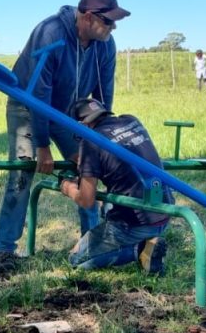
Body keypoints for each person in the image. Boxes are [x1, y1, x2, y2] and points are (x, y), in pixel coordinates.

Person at [0, 0, 130, 269]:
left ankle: (92, 243)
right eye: (108, 21)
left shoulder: (106, 45)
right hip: (27, 106)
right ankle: (3, 250)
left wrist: (97, 139)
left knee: (89, 167)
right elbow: (39, 95)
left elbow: (104, 95)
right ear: (89, 17)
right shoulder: (51, 33)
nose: (113, 27)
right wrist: (42, 146)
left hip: (68, 113)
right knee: (23, 170)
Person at [59, 98, 171, 275]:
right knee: (109, 205)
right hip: (164, 210)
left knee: (75, 259)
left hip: (134, 223)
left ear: (82, 125)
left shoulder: (90, 142)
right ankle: (148, 243)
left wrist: (67, 187)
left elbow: (87, 200)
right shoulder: (131, 120)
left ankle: (141, 249)